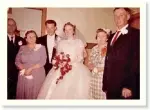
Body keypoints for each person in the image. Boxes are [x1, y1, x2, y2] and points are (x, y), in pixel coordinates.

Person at [37, 22, 91, 99]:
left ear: (73, 31)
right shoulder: (61, 42)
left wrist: (68, 63)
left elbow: (80, 57)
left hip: (74, 67)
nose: (67, 31)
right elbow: (57, 55)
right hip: (61, 67)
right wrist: (59, 62)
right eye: (65, 30)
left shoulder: (78, 42)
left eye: (70, 29)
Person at [102, 8, 140, 99]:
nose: (117, 18)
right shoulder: (111, 36)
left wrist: (129, 85)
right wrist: (105, 83)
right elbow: (108, 61)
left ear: (128, 16)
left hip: (124, 87)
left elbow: (137, 61)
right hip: (110, 86)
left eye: (121, 15)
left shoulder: (136, 34)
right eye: (115, 16)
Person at [15, 30, 47, 99]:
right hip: (24, 73)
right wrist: (22, 68)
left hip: (37, 74)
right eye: (30, 37)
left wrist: (30, 68)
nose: (32, 38)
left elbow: (43, 61)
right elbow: (17, 61)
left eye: (34, 36)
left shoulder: (41, 47)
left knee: (36, 94)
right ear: (26, 39)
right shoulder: (22, 48)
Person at [88, 28, 110, 99]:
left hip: (104, 77)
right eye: (98, 36)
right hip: (94, 77)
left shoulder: (110, 48)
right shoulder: (94, 48)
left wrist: (100, 69)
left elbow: (112, 65)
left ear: (107, 38)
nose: (100, 38)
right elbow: (90, 60)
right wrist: (90, 64)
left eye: (103, 36)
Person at [7, 18, 25, 99]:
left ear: (16, 26)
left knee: (16, 93)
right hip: (5, 71)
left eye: (13, 25)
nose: (11, 26)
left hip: (18, 72)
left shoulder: (21, 40)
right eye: (8, 25)